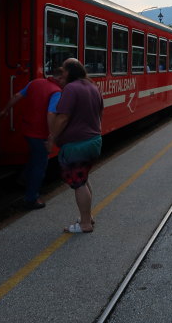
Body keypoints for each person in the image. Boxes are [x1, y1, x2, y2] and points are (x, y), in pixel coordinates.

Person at [47, 58, 103, 233]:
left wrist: (52, 138)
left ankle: (85, 223)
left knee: (79, 183)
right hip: (93, 140)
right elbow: (100, 112)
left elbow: (62, 117)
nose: (60, 73)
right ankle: (88, 217)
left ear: (70, 72)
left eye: (63, 70)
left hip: (77, 145)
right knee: (84, 180)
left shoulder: (71, 89)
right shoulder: (93, 86)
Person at [0, 68, 65, 210]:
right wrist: (51, 138)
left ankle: (24, 178)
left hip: (27, 130)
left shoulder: (35, 82)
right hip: (40, 134)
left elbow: (17, 95)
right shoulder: (56, 92)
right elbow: (51, 114)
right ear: (59, 79)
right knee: (39, 166)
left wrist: (5, 110)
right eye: (65, 79)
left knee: (34, 157)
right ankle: (31, 198)